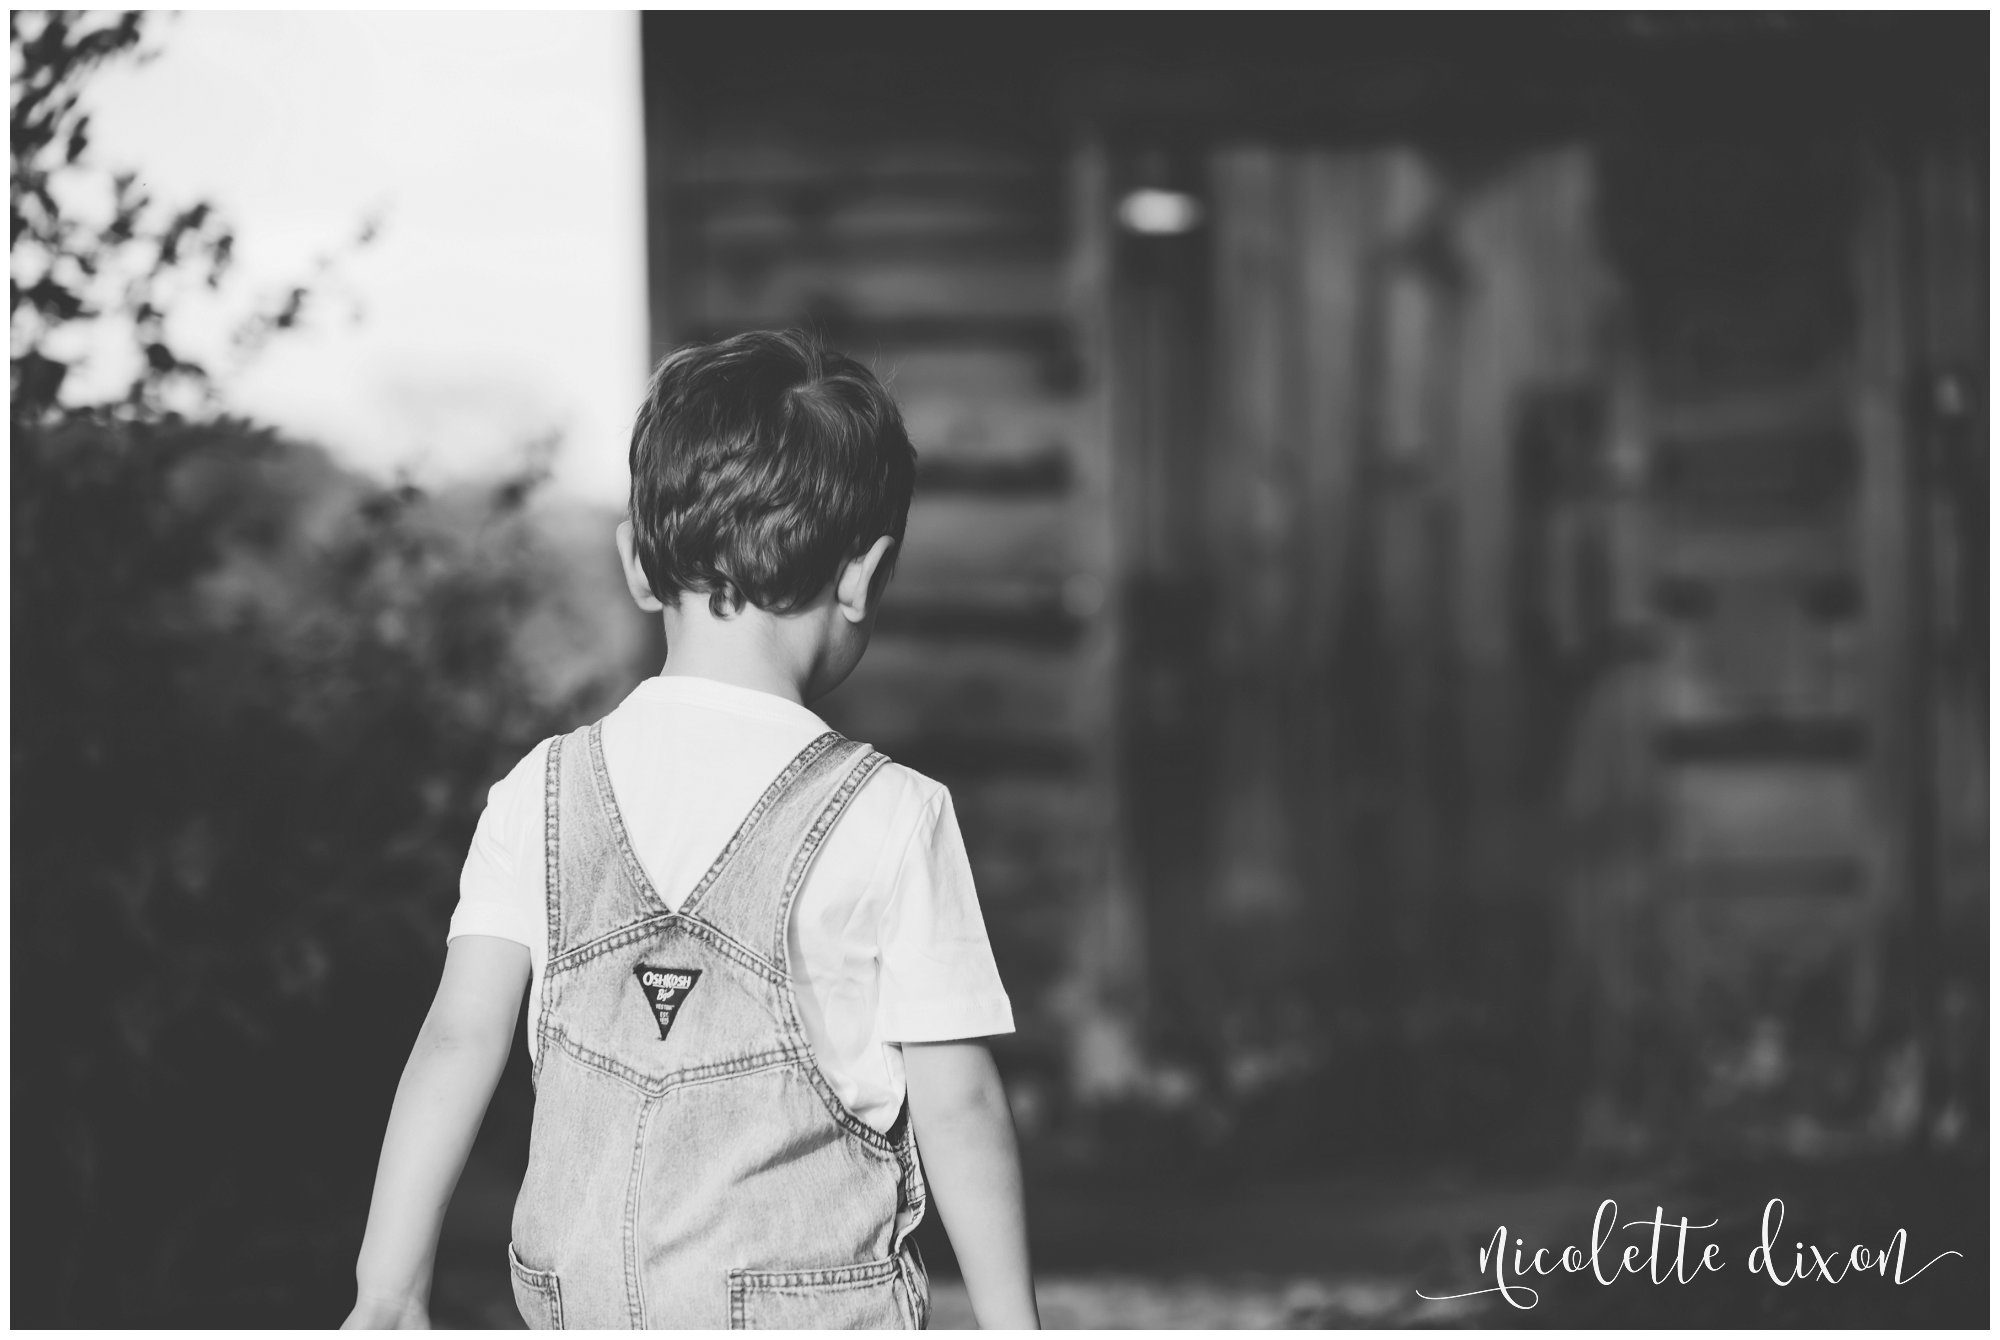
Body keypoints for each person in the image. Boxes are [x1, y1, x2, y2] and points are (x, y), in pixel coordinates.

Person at [342, 330, 1040, 1330]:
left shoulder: (538, 793)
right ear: (862, 573)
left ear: (636, 560)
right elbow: (957, 1100)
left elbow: (457, 1038)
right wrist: (1015, 1323)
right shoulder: (891, 811)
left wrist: (387, 1288)